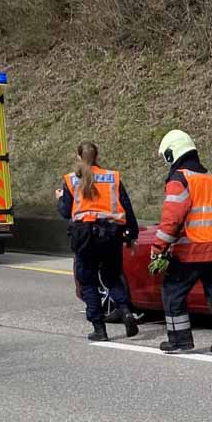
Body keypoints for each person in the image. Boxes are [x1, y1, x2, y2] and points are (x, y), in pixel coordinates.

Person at [151, 130, 212, 355]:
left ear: (173, 153)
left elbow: (172, 218)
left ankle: (179, 340)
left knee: (172, 292)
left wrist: (158, 247)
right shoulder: (210, 177)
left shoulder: (180, 178)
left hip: (191, 248)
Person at [56, 142, 139, 341]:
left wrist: (60, 198)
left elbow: (66, 211)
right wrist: (131, 235)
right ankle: (126, 311)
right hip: (110, 234)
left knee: (88, 281)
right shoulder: (112, 177)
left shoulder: (70, 180)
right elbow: (127, 208)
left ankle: (99, 329)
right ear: (97, 155)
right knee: (112, 276)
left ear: (78, 157)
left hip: (84, 236)